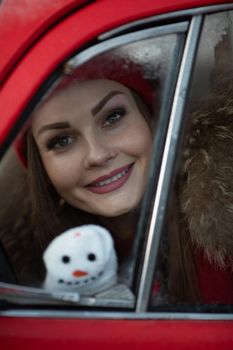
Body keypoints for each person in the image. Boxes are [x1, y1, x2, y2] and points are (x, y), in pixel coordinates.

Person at [2, 53, 156, 286]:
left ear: (150, 119)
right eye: (62, 141)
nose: (98, 155)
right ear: (43, 170)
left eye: (113, 117)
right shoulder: (17, 280)